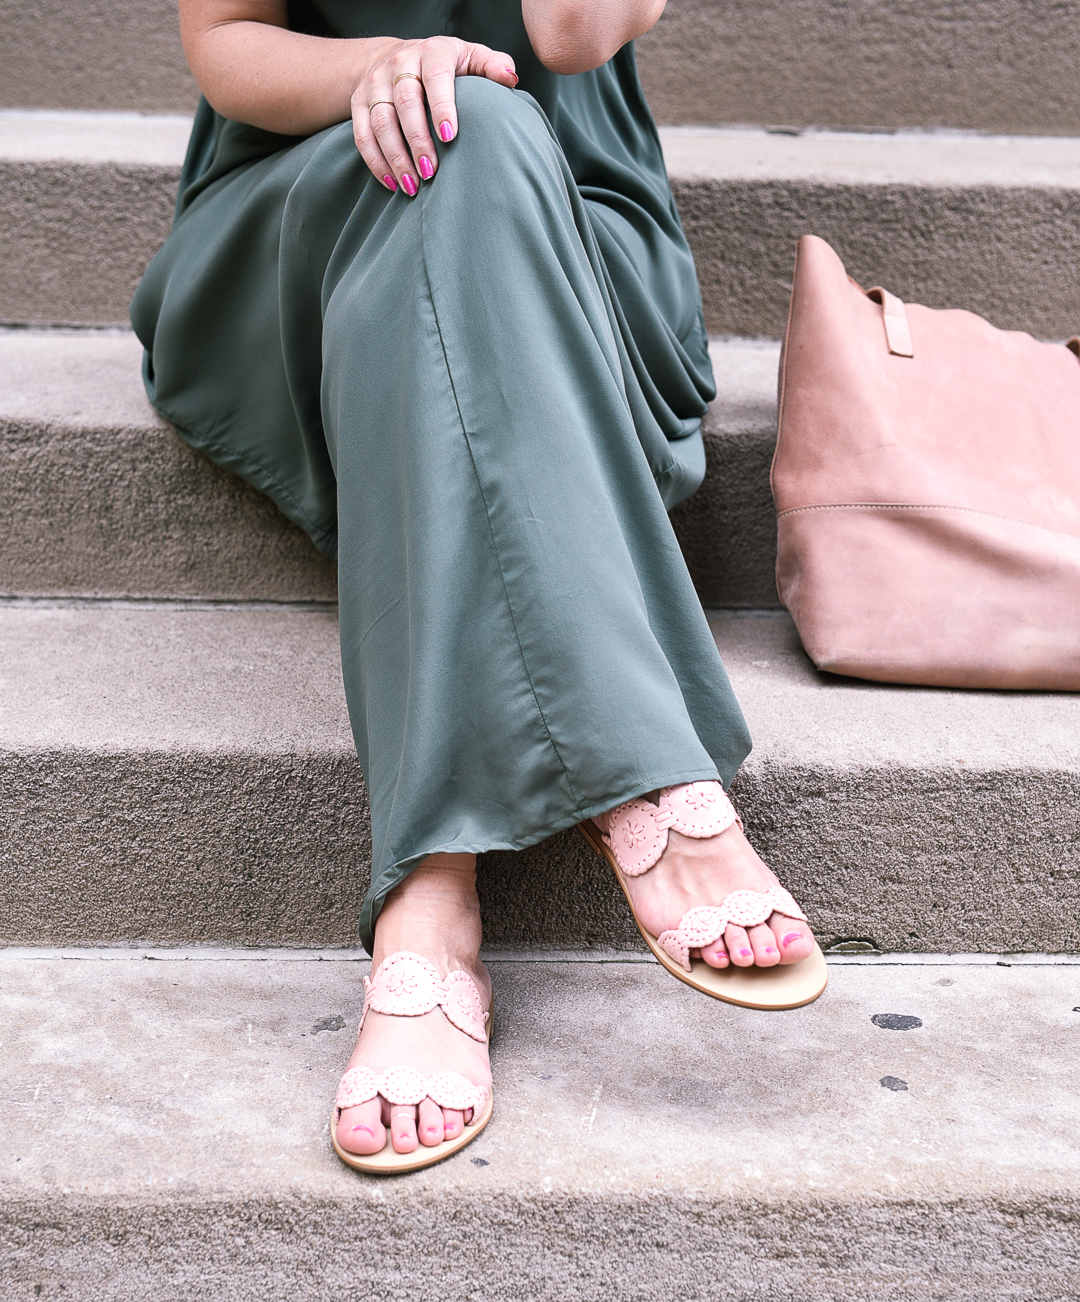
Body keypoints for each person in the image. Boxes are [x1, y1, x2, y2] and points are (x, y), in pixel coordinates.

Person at [132, 0, 825, 1174]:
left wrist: (457, 91)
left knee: (490, 130)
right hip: (304, 206)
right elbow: (228, 48)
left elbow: (568, 35)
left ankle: (430, 899)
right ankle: (644, 764)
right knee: (459, 126)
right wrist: (389, 68)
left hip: (568, 236)